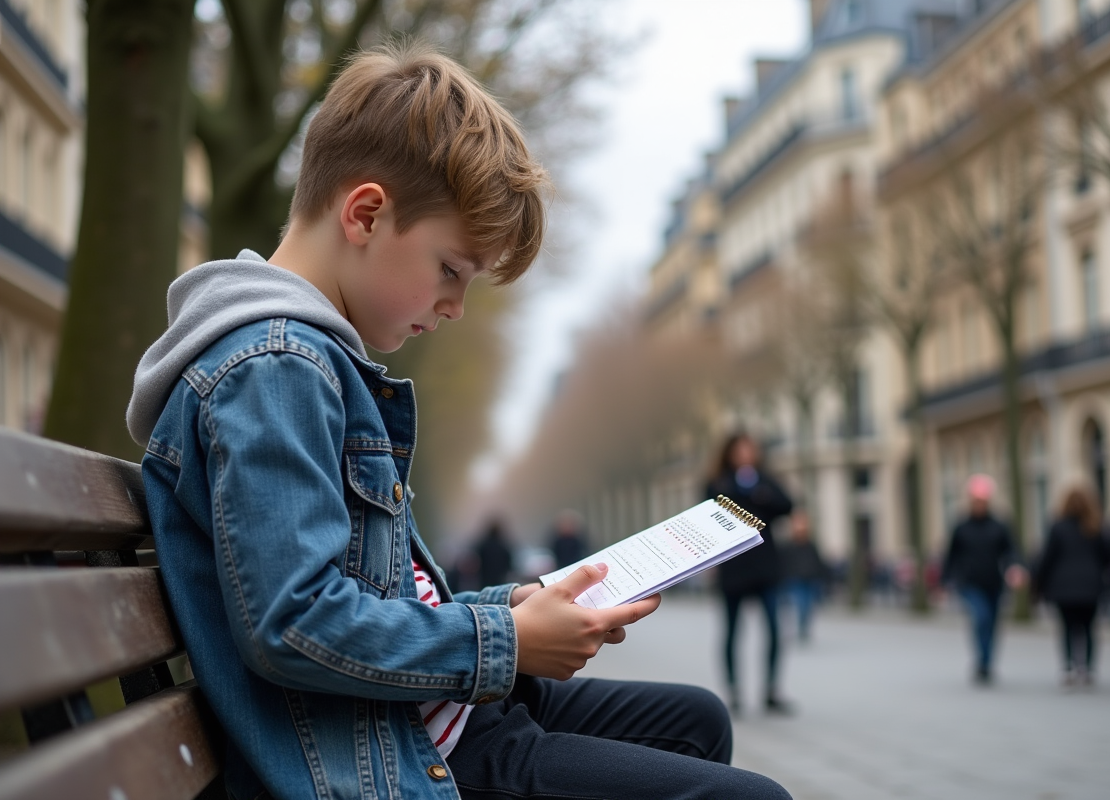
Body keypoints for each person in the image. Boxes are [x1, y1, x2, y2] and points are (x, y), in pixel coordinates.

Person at [126, 43, 790, 800]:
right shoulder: (276, 368)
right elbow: (296, 622)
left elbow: (370, 599)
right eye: (451, 270)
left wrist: (509, 608)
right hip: (397, 753)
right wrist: (508, 641)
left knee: (696, 719)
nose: (455, 307)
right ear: (365, 214)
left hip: (428, 721)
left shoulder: (307, 363)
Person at [704, 433, 795, 715]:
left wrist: (760, 493)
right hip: (733, 567)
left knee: (775, 630)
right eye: (740, 450)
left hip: (765, 567)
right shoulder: (719, 483)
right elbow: (707, 513)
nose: (745, 455)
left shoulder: (766, 480)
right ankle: (733, 691)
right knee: (732, 631)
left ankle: (771, 690)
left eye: (750, 449)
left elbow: (787, 506)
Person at [940, 474, 1025, 685]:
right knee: (981, 618)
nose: (979, 504)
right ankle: (982, 661)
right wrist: (945, 581)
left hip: (994, 583)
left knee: (993, 624)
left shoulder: (999, 525)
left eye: (982, 500)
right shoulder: (961, 527)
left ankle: (986, 663)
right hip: (970, 583)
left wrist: (1014, 567)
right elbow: (951, 556)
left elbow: (1011, 551)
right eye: (976, 500)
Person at [1033, 486, 1110, 687]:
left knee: (1067, 628)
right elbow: (1108, 556)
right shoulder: (1096, 526)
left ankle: (1068, 667)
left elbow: (1047, 558)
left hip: (1063, 586)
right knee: (1089, 628)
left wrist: (1038, 584)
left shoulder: (1058, 527)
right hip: (1091, 585)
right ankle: (1088, 668)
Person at [779, 509, 828, 641]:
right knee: (799, 604)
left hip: (810, 579)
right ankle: (800, 627)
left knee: (807, 605)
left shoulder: (810, 545)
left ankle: (803, 626)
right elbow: (784, 563)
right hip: (795, 579)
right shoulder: (789, 546)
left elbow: (817, 562)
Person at [474, 518, 514, 587]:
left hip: (485, 579)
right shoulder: (504, 547)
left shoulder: (483, 545)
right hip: (500, 580)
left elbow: (476, 562)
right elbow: (509, 565)